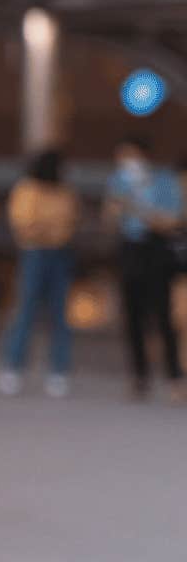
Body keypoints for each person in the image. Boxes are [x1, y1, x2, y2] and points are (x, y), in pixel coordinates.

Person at [102, 135, 183, 401]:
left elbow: (172, 222)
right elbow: (110, 222)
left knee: (162, 316)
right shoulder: (117, 182)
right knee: (132, 315)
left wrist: (136, 208)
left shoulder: (163, 181)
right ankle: (139, 376)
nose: (125, 162)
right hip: (129, 249)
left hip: (156, 250)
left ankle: (174, 377)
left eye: (129, 155)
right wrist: (114, 211)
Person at [0, 149, 78, 398]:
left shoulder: (65, 192)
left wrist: (47, 229)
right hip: (34, 254)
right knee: (25, 311)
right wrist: (48, 229)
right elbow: (24, 224)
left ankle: (58, 371)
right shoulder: (27, 189)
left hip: (59, 254)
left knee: (59, 315)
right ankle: (12, 367)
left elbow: (68, 224)